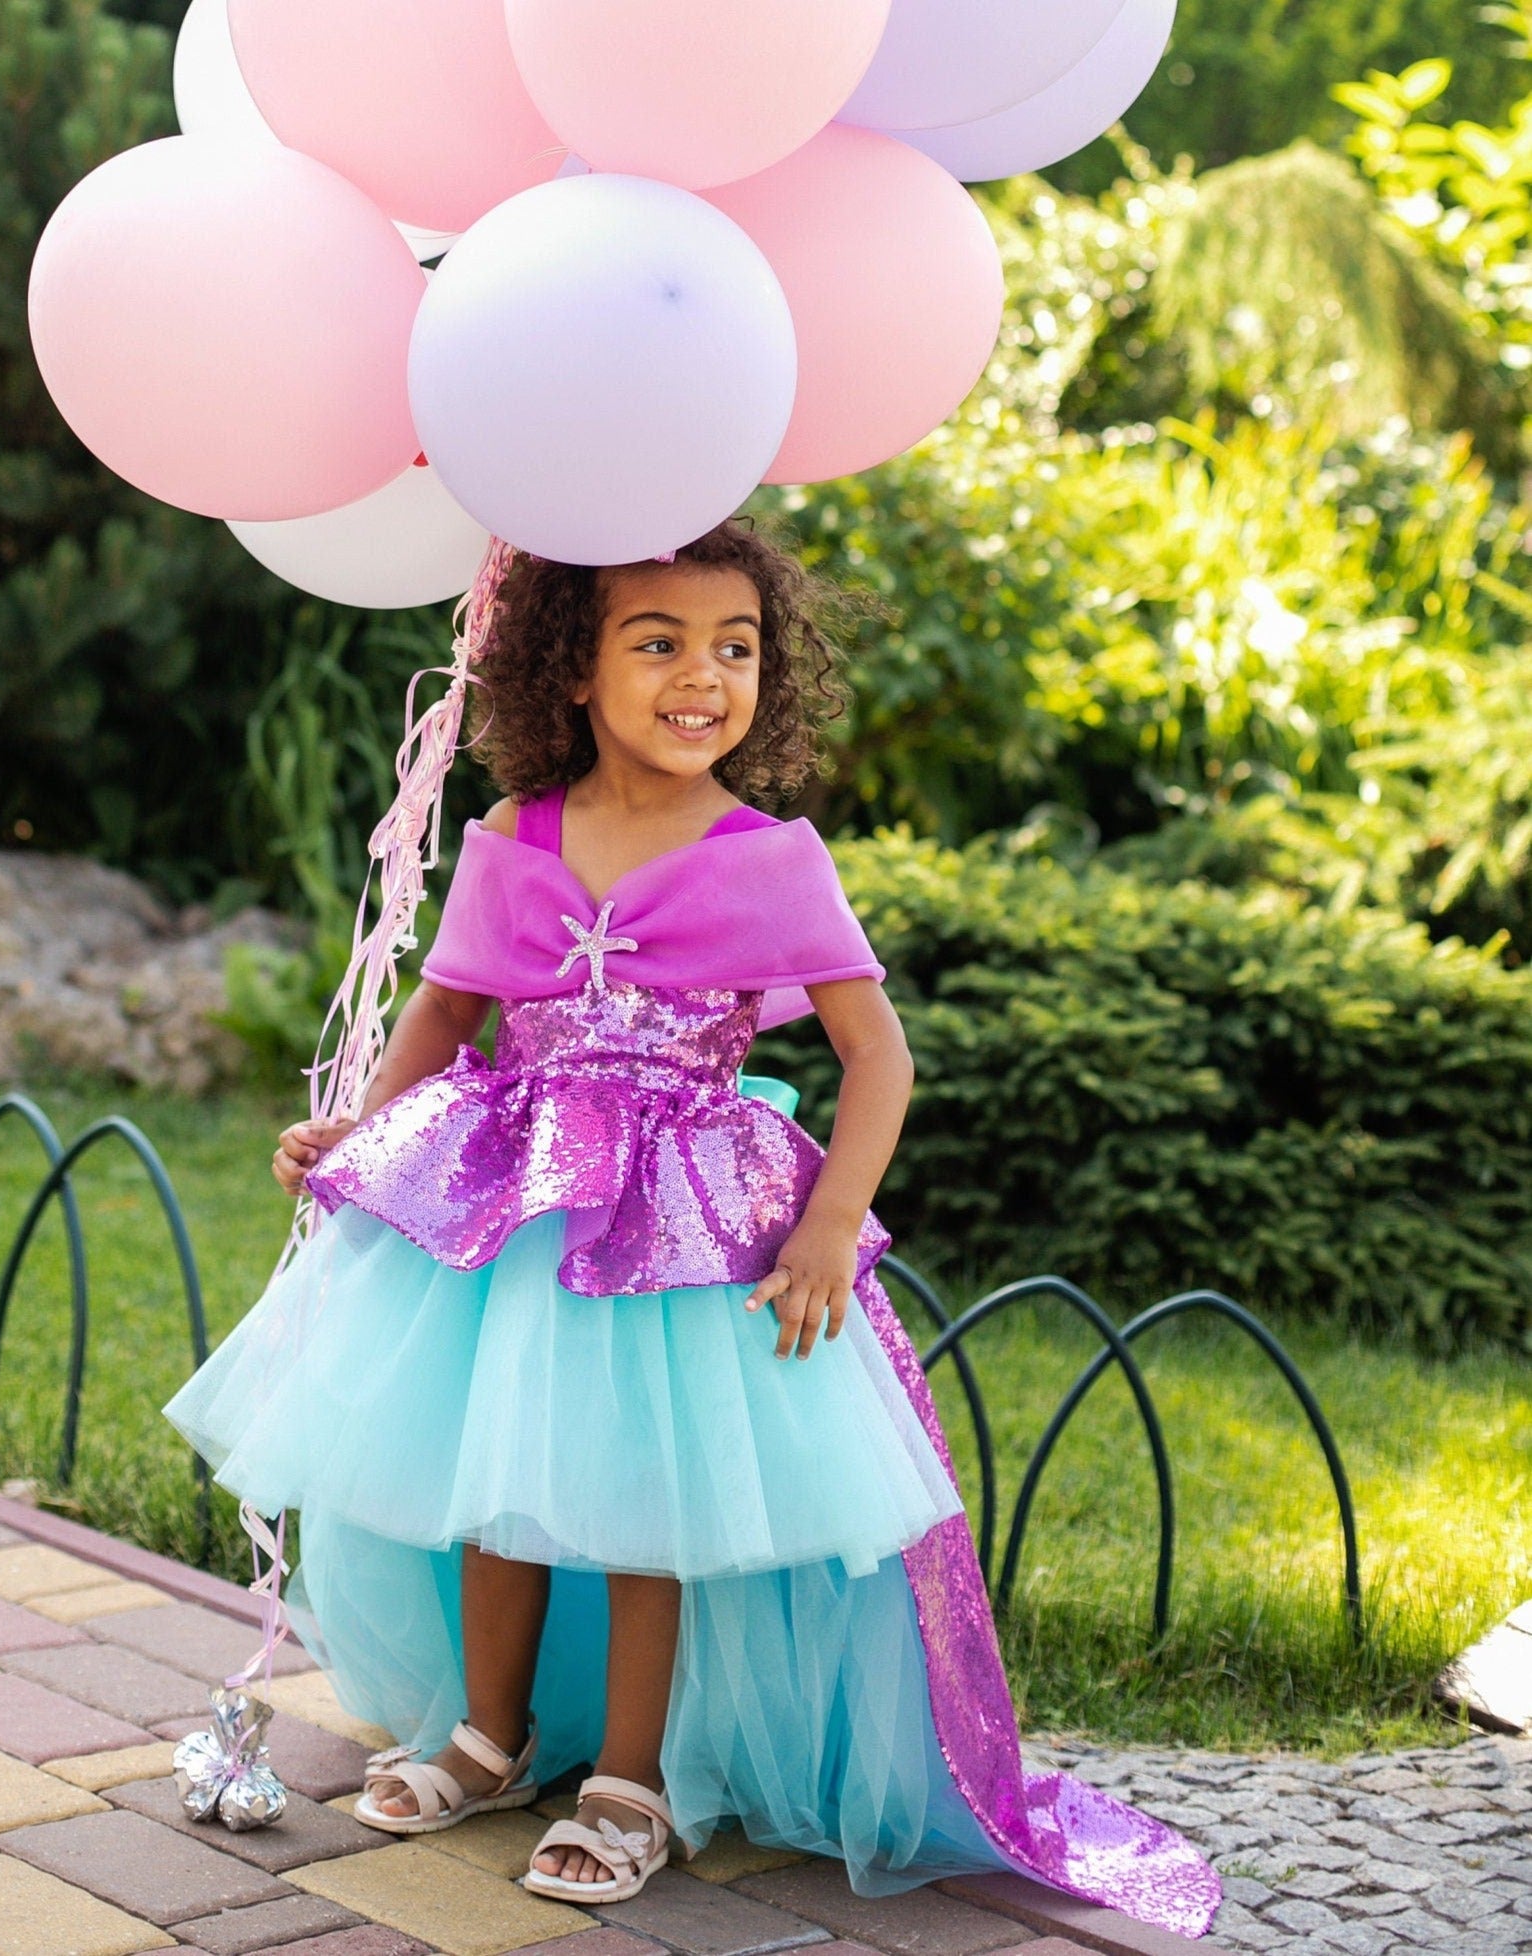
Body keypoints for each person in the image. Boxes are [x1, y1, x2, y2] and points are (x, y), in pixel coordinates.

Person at [165, 521, 1218, 1931]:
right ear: (574, 672)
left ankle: (634, 1776)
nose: (701, 676)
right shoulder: (509, 841)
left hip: (681, 1228)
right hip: (515, 1217)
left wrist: (832, 1225)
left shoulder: (768, 858)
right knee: (501, 1477)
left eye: (735, 648)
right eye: (657, 643)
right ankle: (489, 1734)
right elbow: (445, 1008)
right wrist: (366, 1128)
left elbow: (879, 1054)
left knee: (646, 1499)